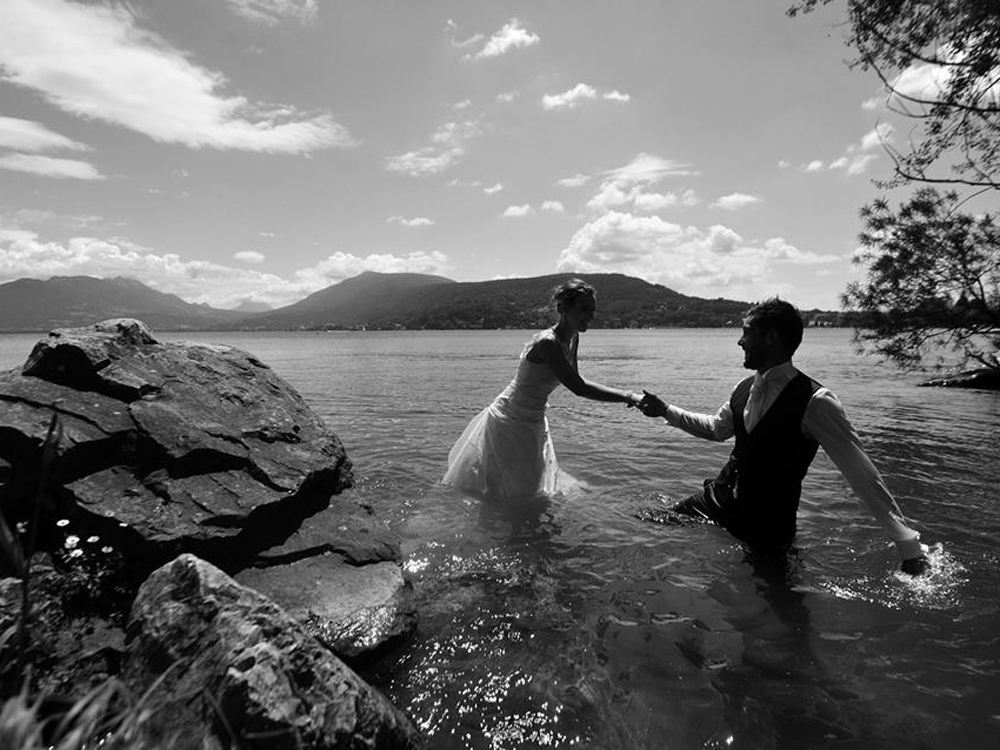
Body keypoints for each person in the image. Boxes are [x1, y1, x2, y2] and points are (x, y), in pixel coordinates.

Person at [637, 297, 929, 574]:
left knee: (777, 608)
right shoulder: (743, 387)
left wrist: (909, 547)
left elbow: (863, 475)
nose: (740, 341)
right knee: (648, 520)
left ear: (770, 338)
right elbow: (716, 428)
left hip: (768, 526)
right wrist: (665, 410)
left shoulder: (816, 401)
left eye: (746, 333)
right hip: (718, 499)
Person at [443, 279, 643, 499]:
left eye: (593, 310)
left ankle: (522, 527)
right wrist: (628, 396)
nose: (590, 316)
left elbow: (576, 378)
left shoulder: (573, 338)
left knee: (527, 488)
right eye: (584, 309)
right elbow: (578, 387)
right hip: (510, 419)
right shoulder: (548, 343)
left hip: (534, 420)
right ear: (564, 309)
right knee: (511, 489)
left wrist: (628, 396)